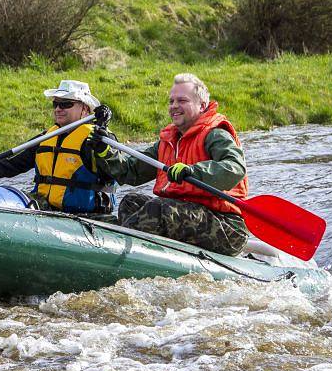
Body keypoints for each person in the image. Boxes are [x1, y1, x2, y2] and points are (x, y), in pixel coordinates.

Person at [85, 73, 249, 256]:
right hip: (185, 214)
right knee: (131, 202)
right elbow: (130, 171)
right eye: (171, 101)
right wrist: (104, 152)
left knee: (159, 210)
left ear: (202, 106)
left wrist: (192, 171)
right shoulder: (167, 142)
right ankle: (139, 256)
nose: (174, 106)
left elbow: (235, 167)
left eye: (182, 100)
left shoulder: (216, 134)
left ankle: (113, 253)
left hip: (226, 226)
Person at [0, 80, 117, 218]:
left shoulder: (98, 139)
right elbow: (13, 164)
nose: (58, 109)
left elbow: (116, 170)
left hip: (87, 215)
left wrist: (102, 129)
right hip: (46, 208)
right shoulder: (46, 137)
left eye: (66, 104)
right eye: (56, 103)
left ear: (85, 109)